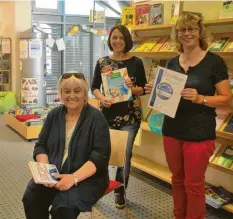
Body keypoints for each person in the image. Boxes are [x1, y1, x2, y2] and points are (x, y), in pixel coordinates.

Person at [145, 13, 232, 219]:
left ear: (200, 32)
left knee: (194, 185)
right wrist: (155, 90)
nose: (187, 33)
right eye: (182, 30)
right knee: (176, 179)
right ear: (177, 34)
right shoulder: (172, 62)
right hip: (172, 129)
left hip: (200, 132)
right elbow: (167, 94)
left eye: (191, 29)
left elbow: (227, 99)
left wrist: (201, 98)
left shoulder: (214, 62)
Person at [22, 72, 111, 219]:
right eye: (67, 91)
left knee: (63, 209)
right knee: (31, 198)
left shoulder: (97, 118)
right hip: (55, 173)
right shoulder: (54, 115)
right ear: (61, 93)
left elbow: (99, 158)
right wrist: (45, 171)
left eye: (77, 91)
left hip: (86, 178)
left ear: (85, 93)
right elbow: (41, 145)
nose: (72, 96)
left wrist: (73, 178)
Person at [91, 25, 147, 209]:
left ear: (127, 40)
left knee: (124, 157)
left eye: (122, 38)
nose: (117, 41)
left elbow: (143, 90)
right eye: (114, 37)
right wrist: (101, 98)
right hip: (107, 116)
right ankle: (96, 189)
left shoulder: (136, 62)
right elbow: (94, 87)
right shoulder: (102, 62)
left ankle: (119, 192)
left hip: (130, 117)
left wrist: (131, 87)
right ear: (110, 39)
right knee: (102, 154)